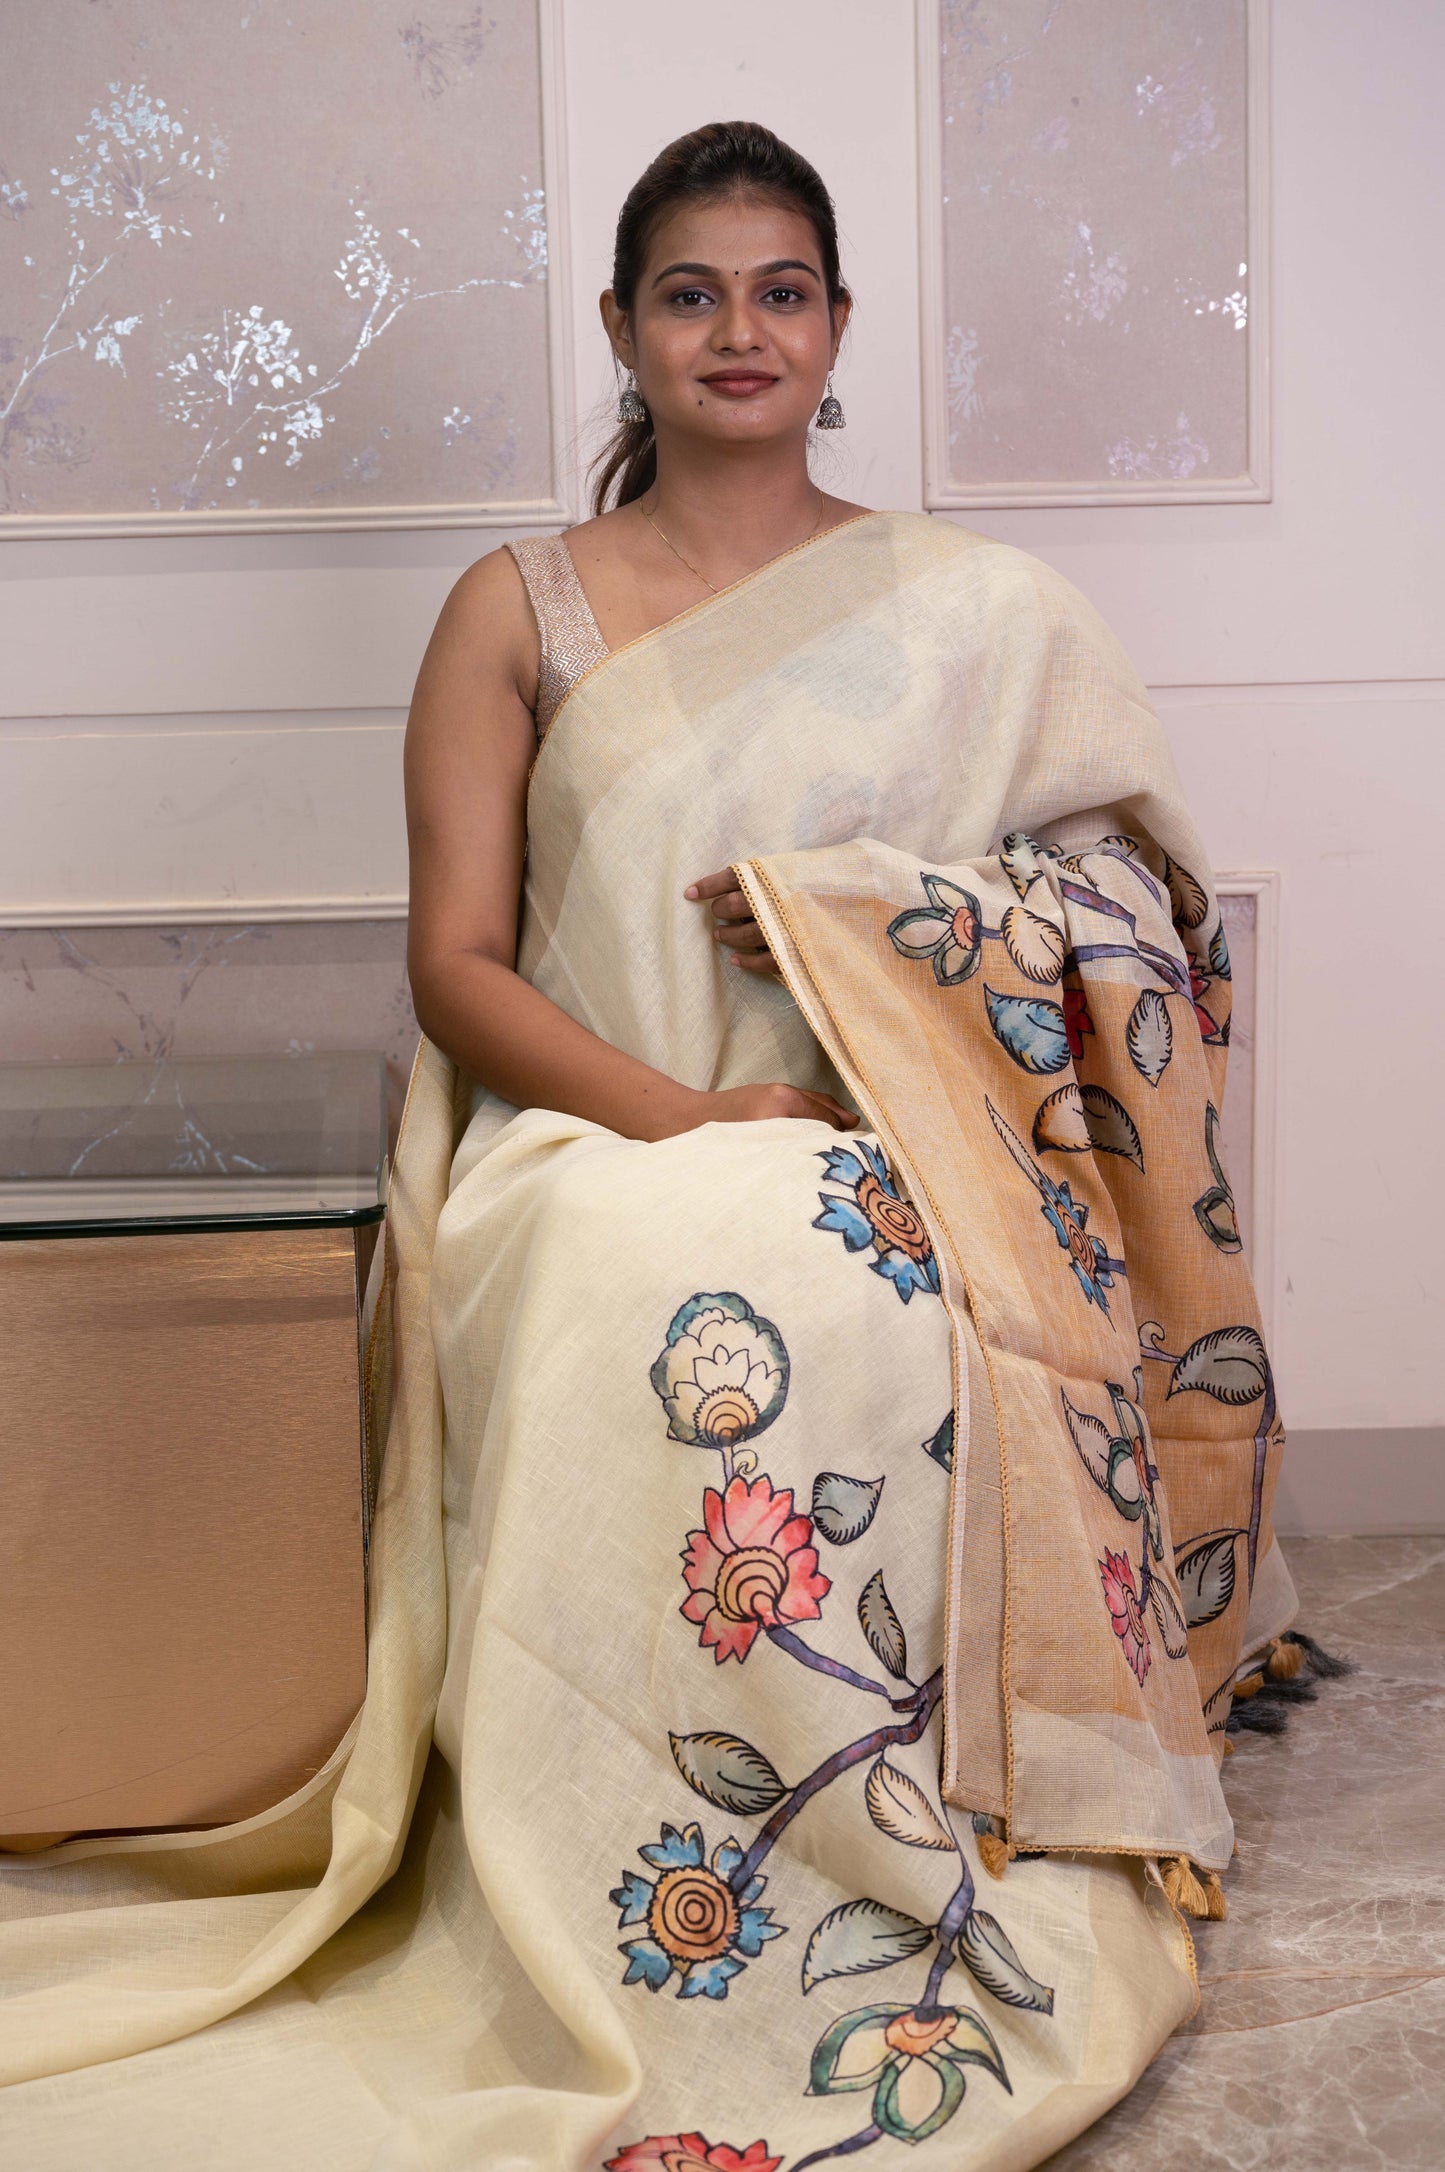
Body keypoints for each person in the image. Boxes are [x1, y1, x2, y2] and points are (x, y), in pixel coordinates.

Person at [0, 121, 1327, 2171]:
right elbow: (458, 968)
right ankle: (664, 1885)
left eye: (779, 292)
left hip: (907, 1146)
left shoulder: (982, 609)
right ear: (622, 329)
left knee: (872, 1289)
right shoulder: (514, 608)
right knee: (683, 1276)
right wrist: (689, 1113)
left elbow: (1130, 925)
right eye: (690, 296)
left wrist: (876, 912)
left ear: (837, 325)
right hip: (589, 1137)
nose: (738, 332)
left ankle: (911, 1841)